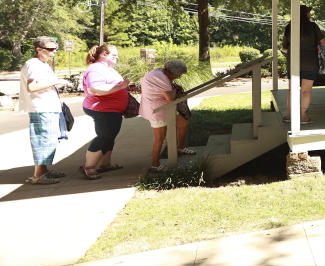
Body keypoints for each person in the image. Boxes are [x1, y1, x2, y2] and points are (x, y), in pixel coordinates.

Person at [19, 36, 69, 184]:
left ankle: (44, 170)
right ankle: (39, 175)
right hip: (41, 108)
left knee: (48, 140)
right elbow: (32, 87)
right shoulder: (34, 64)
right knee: (43, 140)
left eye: (56, 49)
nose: (54, 52)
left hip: (46, 107)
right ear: (38, 49)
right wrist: (55, 81)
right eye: (50, 49)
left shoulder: (41, 63)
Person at [79, 44, 129, 179]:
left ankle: (105, 164)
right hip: (102, 109)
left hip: (111, 109)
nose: (117, 57)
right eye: (114, 55)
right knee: (104, 136)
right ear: (103, 54)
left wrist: (123, 88)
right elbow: (94, 89)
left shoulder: (107, 68)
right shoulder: (95, 69)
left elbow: (112, 85)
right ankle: (88, 167)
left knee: (110, 135)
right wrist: (120, 87)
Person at [140, 60, 194, 171]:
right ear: (173, 72)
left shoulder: (160, 72)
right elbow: (171, 98)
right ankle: (155, 165)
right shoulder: (162, 77)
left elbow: (166, 90)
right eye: (179, 75)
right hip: (156, 109)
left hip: (166, 107)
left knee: (183, 124)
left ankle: (180, 147)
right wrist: (174, 89)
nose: (178, 77)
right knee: (160, 138)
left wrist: (173, 86)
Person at [282, 5, 325, 123]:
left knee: (292, 90)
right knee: (306, 91)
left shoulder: (289, 27)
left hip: (293, 62)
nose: (310, 14)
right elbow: (323, 43)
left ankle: (290, 115)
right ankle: (302, 116)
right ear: (305, 14)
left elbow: (285, 47)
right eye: (308, 12)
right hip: (310, 62)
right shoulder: (313, 26)